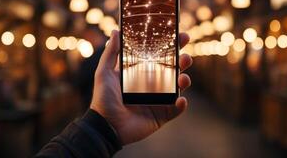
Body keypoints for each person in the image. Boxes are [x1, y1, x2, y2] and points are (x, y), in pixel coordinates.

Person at [36, 30, 193, 157]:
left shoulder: (92, 58)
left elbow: (79, 81)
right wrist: (101, 126)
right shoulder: (103, 54)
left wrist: (100, 125)